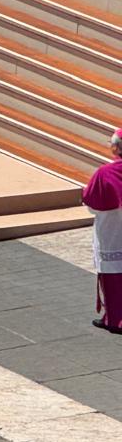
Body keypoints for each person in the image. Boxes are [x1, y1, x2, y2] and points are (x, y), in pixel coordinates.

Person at [83, 130, 122, 334]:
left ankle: (116, 320)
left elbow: (93, 205)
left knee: (114, 280)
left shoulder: (105, 173)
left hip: (113, 234)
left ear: (116, 147)